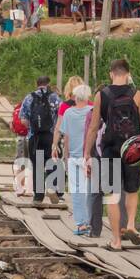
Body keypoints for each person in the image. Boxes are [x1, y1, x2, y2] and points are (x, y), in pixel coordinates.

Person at [84, 58, 140, 251]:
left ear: (111, 73)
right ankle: (129, 225)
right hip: (132, 151)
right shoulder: (138, 95)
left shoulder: (101, 95)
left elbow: (94, 127)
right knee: (132, 190)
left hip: (110, 150)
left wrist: (87, 153)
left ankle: (116, 241)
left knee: (112, 195)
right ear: (128, 74)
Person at [52, 83, 93, 233]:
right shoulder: (93, 111)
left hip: (74, 156)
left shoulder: (68, 113)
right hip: (88, 156)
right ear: (88, 97)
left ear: (75, 97)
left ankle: (81, 223)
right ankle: (91, 221)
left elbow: (66, 136)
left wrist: (66, 155)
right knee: (89, 189)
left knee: (76, 190)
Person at [20, 76, 61, 204]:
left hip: (35, 136)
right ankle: (52, 187)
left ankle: (38, 196)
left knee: (37, 164)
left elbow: (23, 120)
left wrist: (32, 126)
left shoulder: (29, 98)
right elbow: (61, 116)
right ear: (48, 84)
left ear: (36, 84)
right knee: (52, 161)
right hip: (51, 136)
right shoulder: (55, 98)